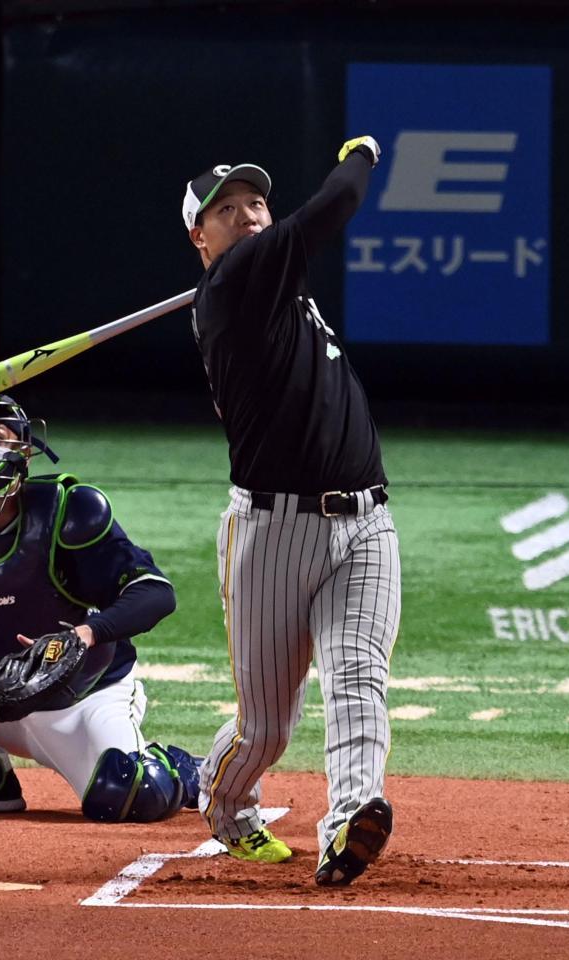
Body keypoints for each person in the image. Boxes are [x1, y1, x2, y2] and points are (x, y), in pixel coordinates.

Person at [180, 138, 401, 885]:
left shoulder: (270, 287)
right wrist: (360, 152)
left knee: (356, 676)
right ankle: (226, 805)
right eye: (225, 210)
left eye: (255, 204)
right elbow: (336, 202)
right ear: (199, 238)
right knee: (267, 725)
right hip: (274, 530)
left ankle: (349, 820)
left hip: (367, 521)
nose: (246, 215)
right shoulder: (236, 282)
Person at [0, 394, 200, 821]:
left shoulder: (68, 511)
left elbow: (156, 593)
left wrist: (85, 634)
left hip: (85, 696)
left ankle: (188, 769)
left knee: (131, 795)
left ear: (24, 450)